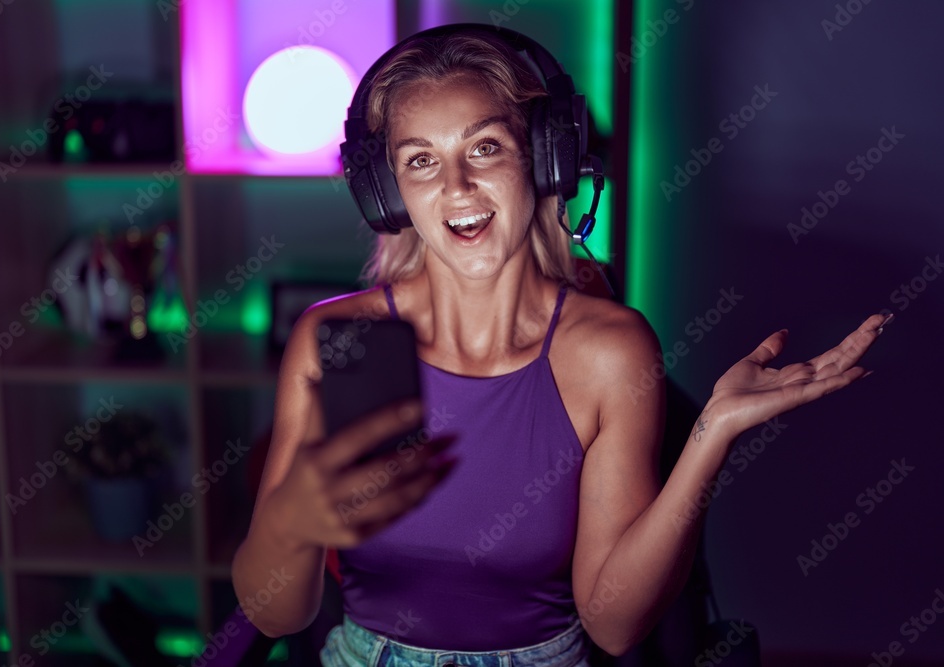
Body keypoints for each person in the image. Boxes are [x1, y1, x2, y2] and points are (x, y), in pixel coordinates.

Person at [231, 25, 890, 666]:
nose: (456, 187)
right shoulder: (333, 340)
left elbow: (612, 622)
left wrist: (710, 436)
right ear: (387, 191)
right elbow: (276, 614)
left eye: (485, 148)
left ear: (544, 159)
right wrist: (291, 522)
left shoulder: (613, 352)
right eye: (421, 161)